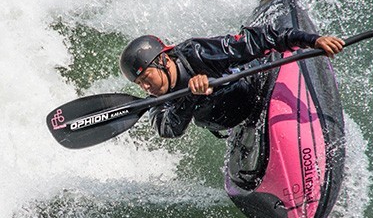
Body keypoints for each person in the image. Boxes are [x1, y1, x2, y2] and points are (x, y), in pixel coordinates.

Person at [119, 25, 344, 138]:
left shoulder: (197, 53)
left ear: (163, 61)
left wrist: (312, 40)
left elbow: (257, 41)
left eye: (147, 78)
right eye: (140, 84)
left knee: (231, 83)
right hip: (233, 120)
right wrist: (190, 95)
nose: (146, 87)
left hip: (254, 89)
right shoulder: (157, 100)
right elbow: (169, 129)